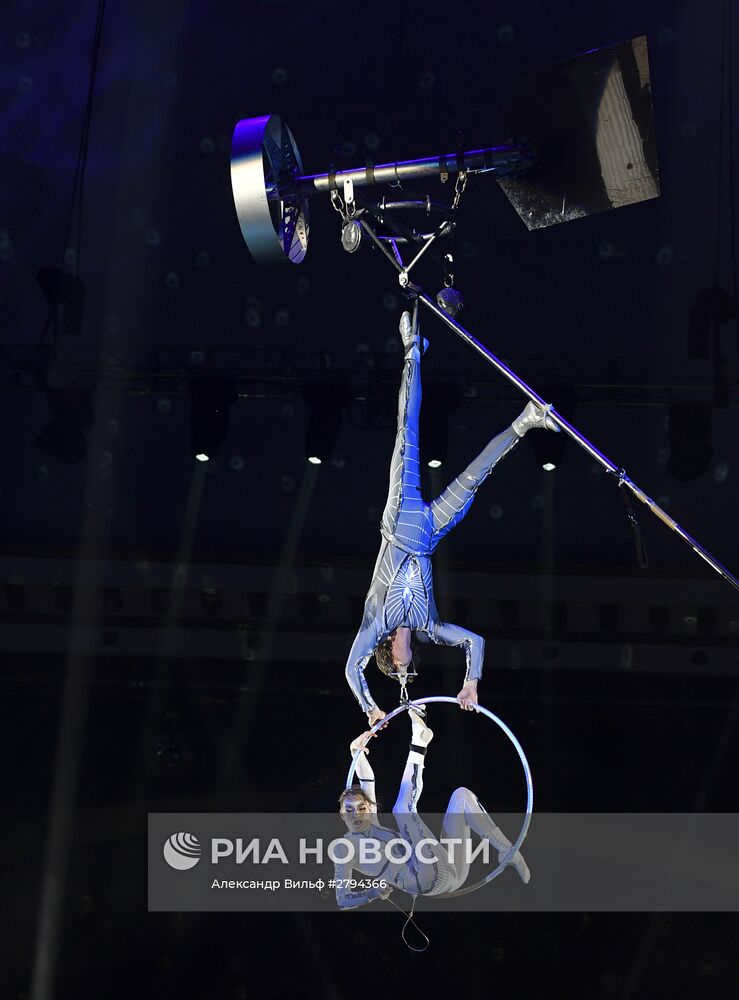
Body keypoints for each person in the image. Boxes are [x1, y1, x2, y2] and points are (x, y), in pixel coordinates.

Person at [345, 308, 558, 725]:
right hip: (428, 534)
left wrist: (370, 706)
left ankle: (411, 350)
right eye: (411, 670)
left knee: (407, 428)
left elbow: (352, 668)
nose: (408, 667)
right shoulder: (429, 626)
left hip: (399, 520)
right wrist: (471, 681)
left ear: (389, 655)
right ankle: (528, 419)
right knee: (476, 475)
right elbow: (474, 641)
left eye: (401, 670)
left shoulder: (374, 626)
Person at [334, 709, 530, 909]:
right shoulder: (344, 847)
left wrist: (355, 751)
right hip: (425, 879)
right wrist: (372, 893)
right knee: (402, 809)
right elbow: (342, 900)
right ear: (342, 814)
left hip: (453, 874)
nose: (356, 813)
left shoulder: (371, 822)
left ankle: (508, 851)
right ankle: (419, 742)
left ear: (370, 808)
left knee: (461, 796)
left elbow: (367, 781)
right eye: (349, 810)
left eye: (361, 807)